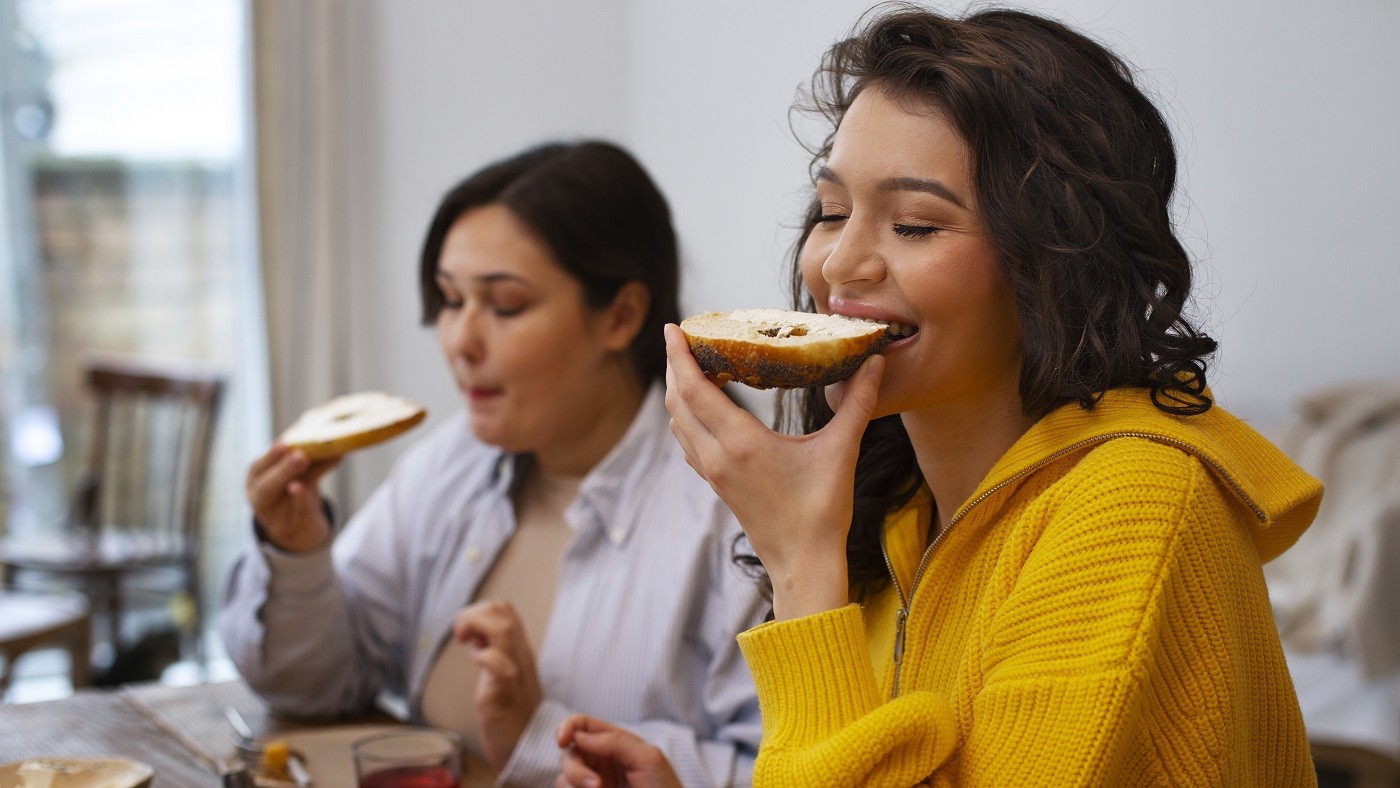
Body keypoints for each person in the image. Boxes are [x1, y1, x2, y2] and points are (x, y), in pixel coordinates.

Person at [562, 7, 1323, 787]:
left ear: (1052, 261)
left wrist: (801, 568)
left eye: (916, 225)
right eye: (831, 212)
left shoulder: (1136, 508)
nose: (839, 265)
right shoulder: (899, 515)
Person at [219, 141, 764, 787]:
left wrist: (541, 731)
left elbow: (774, 767)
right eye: (450, 300)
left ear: (621, 317)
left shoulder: (730, 511)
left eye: (504, 306)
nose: (460, 342)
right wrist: (296, 554)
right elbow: (314, 684)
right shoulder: (456, 461)